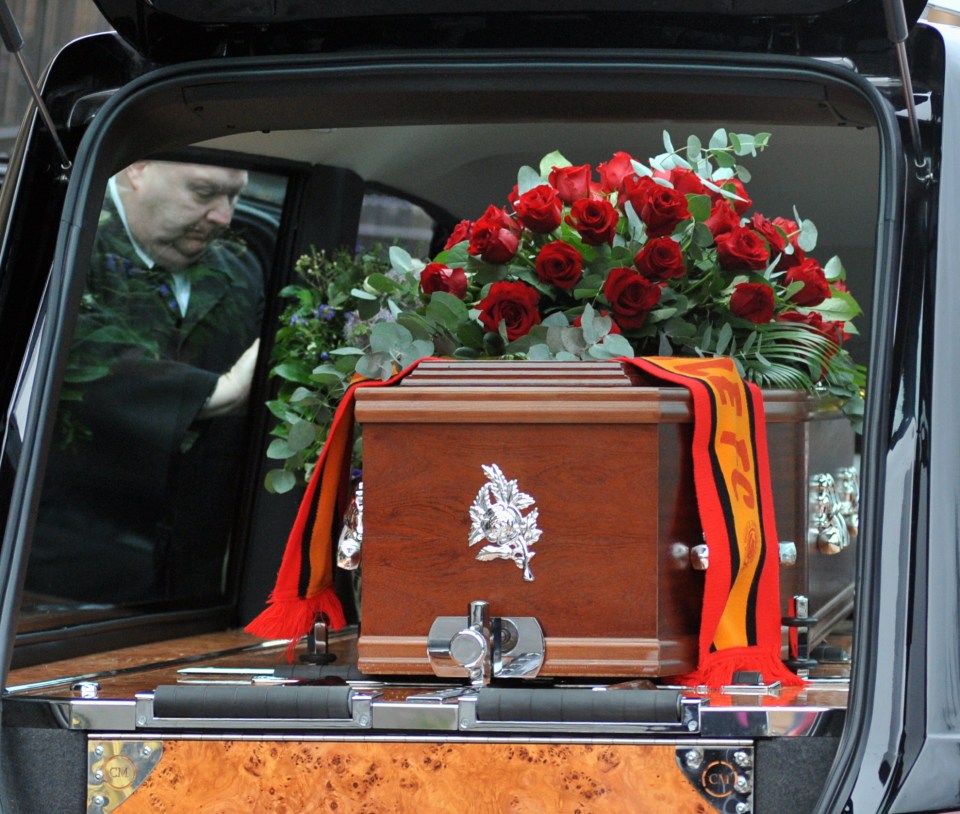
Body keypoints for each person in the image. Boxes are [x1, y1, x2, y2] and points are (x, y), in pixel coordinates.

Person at [26, 160, 265, 604]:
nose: (224, 216)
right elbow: (79, 362)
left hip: (196, 582)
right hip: (60, 574)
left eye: (233, 196)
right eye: (203, 191)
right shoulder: (61, 242)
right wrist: (223, 391)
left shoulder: (241, 268)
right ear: (137, 169)